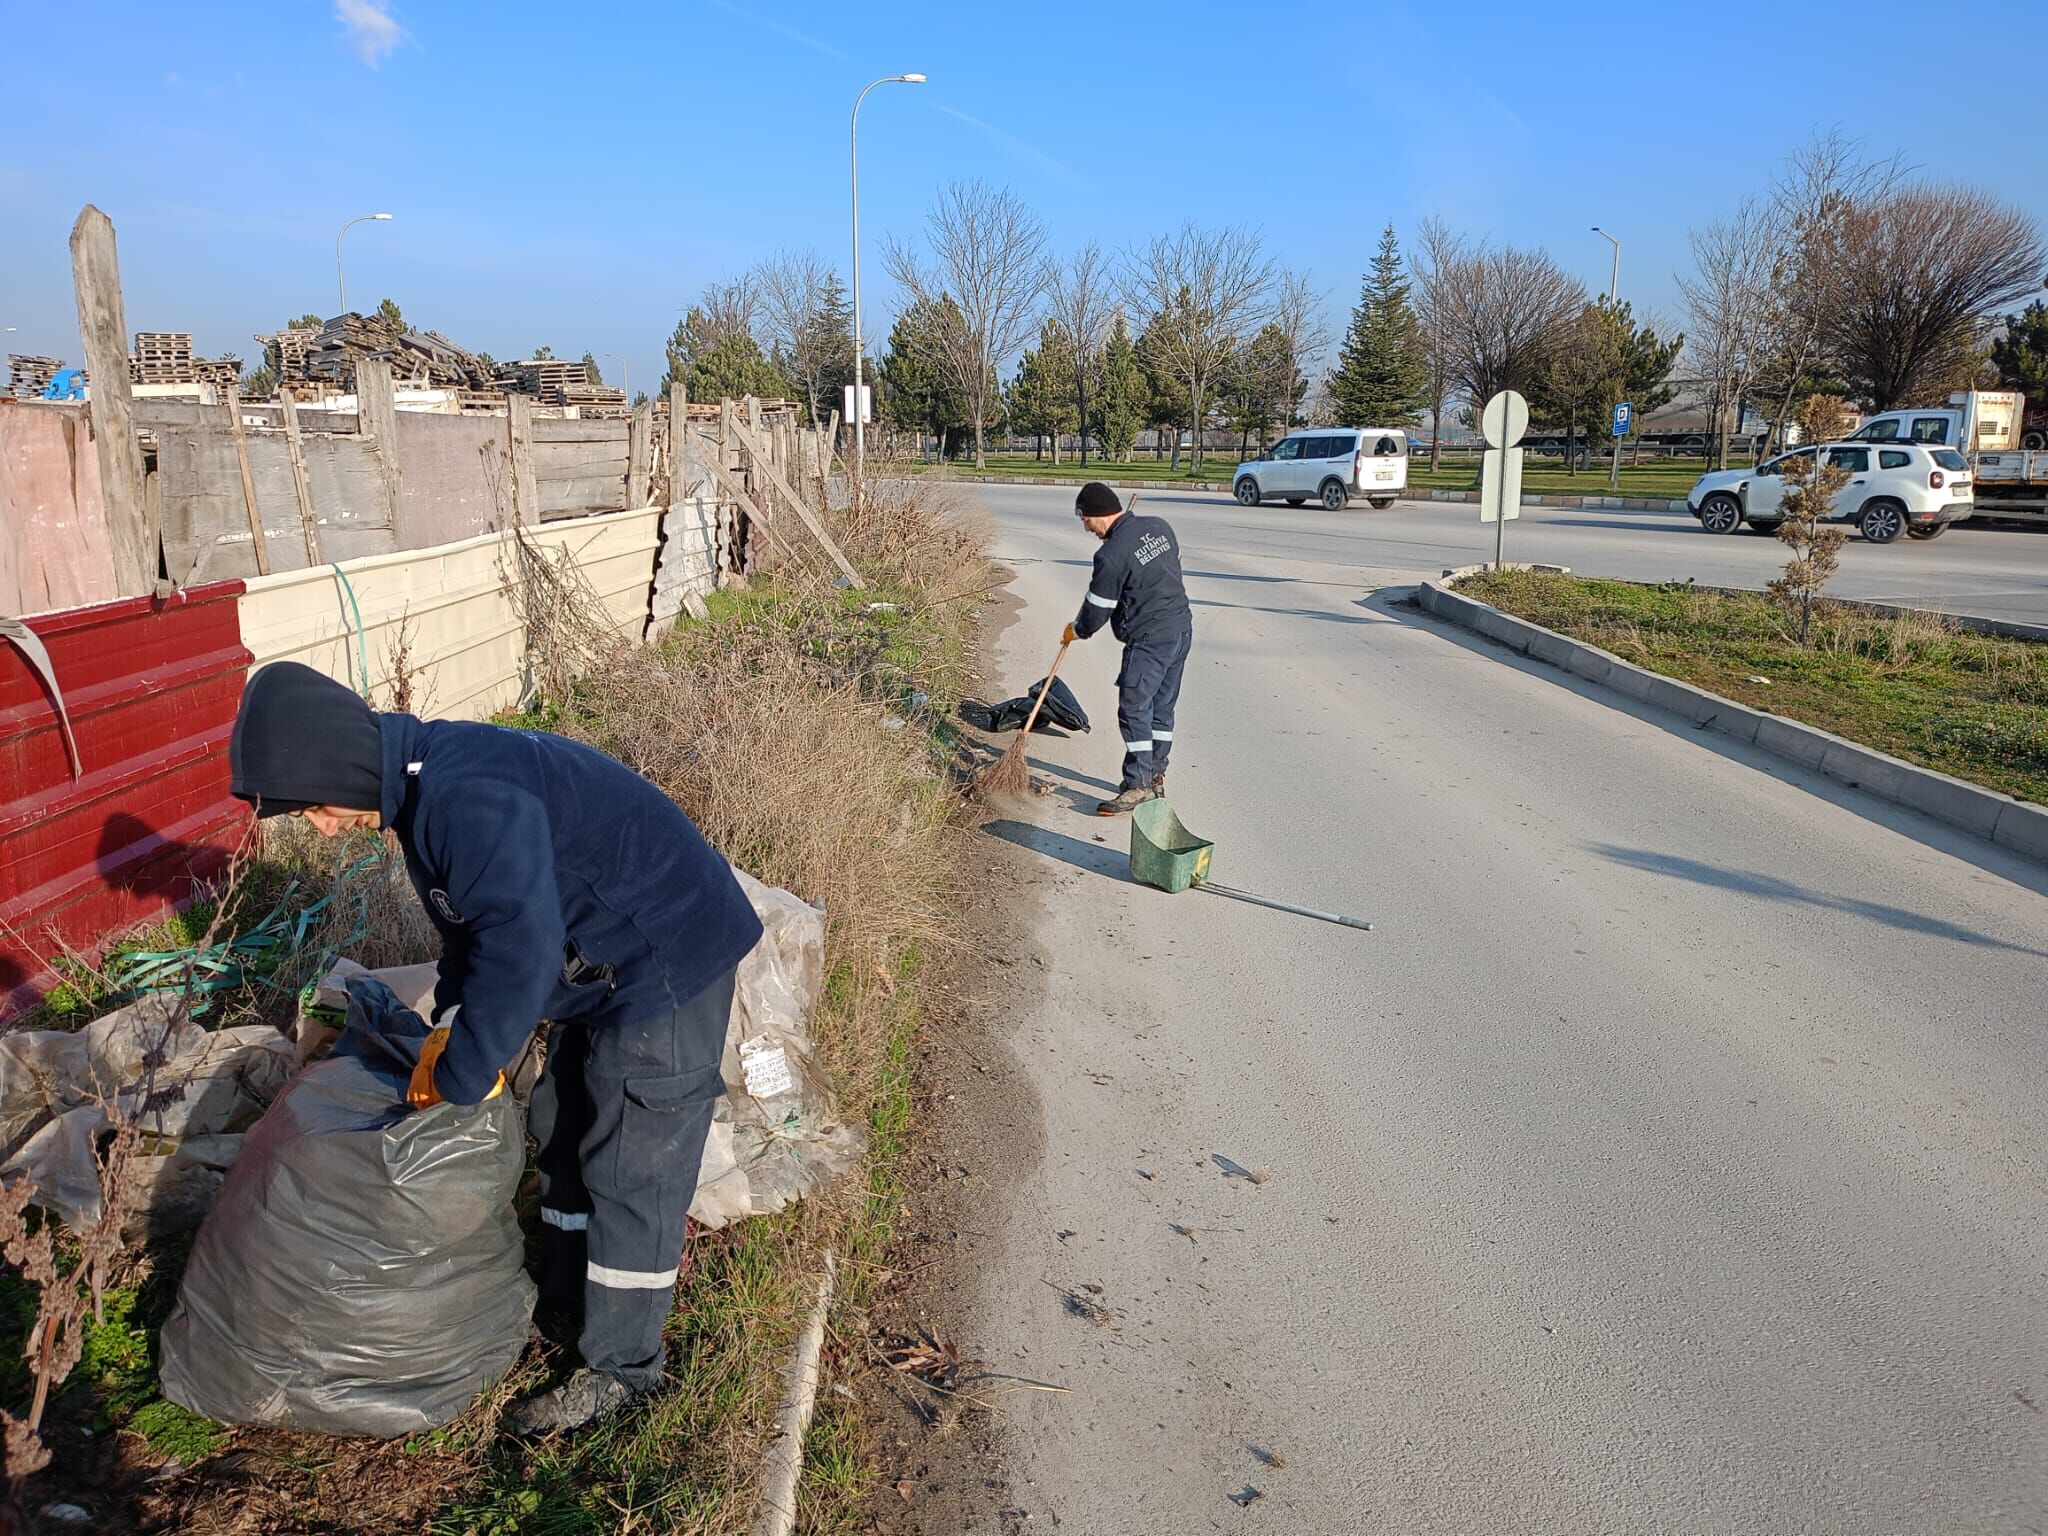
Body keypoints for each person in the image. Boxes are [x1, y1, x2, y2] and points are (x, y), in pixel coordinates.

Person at [227, 661, 763, 1437]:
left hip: (667, 952)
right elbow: (473, 933)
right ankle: (566, 1299)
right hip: (600, 962)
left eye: (314, 806)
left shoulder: (462, 798)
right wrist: (448, 1025)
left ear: (342, 767)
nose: (322, 828)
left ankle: (623, 1370)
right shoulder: (420, 791)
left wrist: (464, 1071)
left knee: (632, 1166)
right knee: (562, 1123)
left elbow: (518, 954)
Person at [1063, 482, 1193, 816]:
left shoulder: (1110, 555)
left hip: (1149, 641)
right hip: (1180, 629)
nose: (1086, 528)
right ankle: (1155, 774)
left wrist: (1077, 630)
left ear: (1098, 514)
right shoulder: (1159, 527)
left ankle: (1138, 785)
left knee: (1134, 708)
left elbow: (1098, 608)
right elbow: (1170, 568)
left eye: (1085, 520)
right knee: (1161, 708)